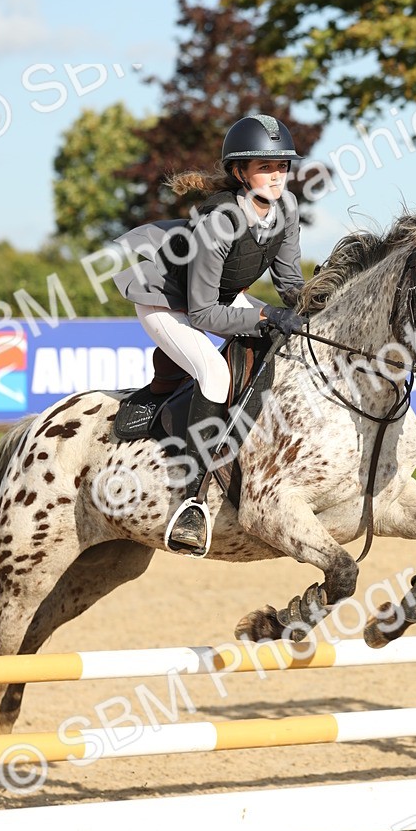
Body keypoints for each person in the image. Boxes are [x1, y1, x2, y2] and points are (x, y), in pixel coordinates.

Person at [113, 113, 305, 556]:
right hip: (167, 299)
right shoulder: (220, 221)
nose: (277, 176)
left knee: (288, 342)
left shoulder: (287, 209)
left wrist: (318, 305)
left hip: (218, 295)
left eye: (282, 166)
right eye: (265, 167)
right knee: (215, 374)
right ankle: (190, 501)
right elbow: (201, 313)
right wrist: (264, 318)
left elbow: (290, 284)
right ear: (240, 172)